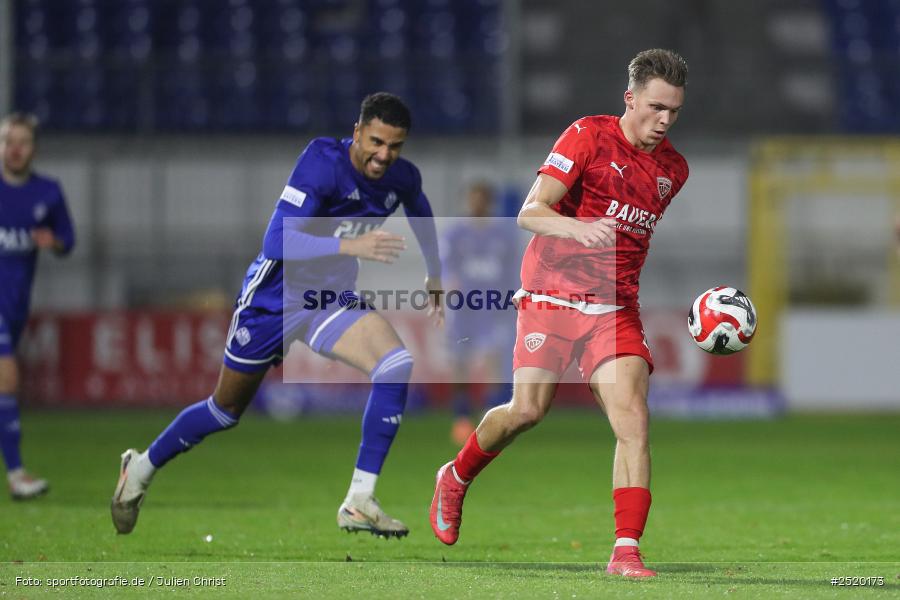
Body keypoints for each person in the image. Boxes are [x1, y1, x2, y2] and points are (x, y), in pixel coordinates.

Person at [112, 93, 443, 537]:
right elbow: (275, 243)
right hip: (273, 298)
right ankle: (140, 468)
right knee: (224, 411)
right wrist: (350, 245)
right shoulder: (322, 163)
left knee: (396, 364)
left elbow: (419, 206)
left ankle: (359, 499)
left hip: (327, 298)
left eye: (395, 146)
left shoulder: (401, 176)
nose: (384, 155)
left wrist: (434, 272)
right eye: (376, 142)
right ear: (358, 131)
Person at [429, 49, 690, 577]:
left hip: (613, 308)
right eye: (656, 107)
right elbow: (530, 212)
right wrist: (578, 227)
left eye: (674, 111)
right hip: (551, 295)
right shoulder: (588, 137)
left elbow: (633, 238)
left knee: (633, 419)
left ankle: (626, 550)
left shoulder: (673, 171)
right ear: (630, 98)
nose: (664, 120)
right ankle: (455, 477)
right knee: (527, 411)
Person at [0, 112, 76, 499]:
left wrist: (55, 242)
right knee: (7, 380)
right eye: (8, 141)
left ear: (33, 149)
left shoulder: (47, 193)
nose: (14, 149)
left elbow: (69, 239)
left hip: (15, 307)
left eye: (22, 142)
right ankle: (16, 475)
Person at [440, 182, 519, 444]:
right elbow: (445, 269)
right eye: (473, 199)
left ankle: (492, 421)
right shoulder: (455, 235)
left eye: (482, 200)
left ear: (489, 203)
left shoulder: (503, 237)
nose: (477, 205)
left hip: (493, 308)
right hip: (463, 309)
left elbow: (512, 273)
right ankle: (461, 419)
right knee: (460, 362)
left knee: (492, 361)